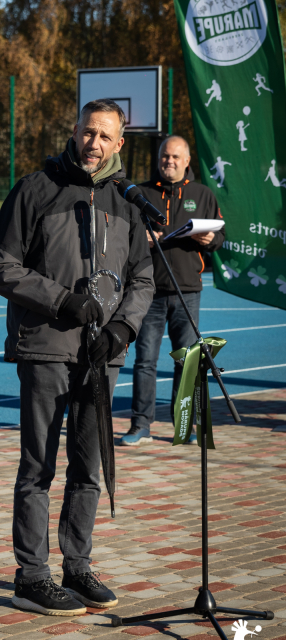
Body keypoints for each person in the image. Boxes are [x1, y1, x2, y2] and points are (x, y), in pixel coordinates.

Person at [0, 99, 154, 617]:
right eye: (87, 132)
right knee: (38, 466)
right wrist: (62, 300)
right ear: (74, 132)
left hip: (102, 357)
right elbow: (0, 268)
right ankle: (31, 576)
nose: (93, 143)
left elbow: (143, 278)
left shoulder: (129, 201)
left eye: (105, 136)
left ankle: (76, 565)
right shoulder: (36, 189)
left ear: (119, 144)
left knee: (90, 468)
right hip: (46, 348)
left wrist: (122, 327)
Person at [122, 135, 225, 447]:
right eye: (165, 156)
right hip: (148, 291)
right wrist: (142, 238)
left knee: (187, 362)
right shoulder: (141, 193)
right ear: (159, 158)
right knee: (145, 362)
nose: (169, 162)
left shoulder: (202, 193)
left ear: (187, 161)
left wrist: (211, 242)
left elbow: (220, 234)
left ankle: (186, 427)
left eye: (175, 157)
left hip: (188, 291)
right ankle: (140, 425)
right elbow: (123, 235)